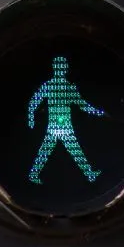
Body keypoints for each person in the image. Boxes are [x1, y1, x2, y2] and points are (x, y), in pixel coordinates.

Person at [27, 55, 103, 184]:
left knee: (64, 151)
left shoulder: (63, 86)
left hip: (60, 127)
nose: (63, 69)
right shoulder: (56, 86)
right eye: (61, 67)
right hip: (59, 127)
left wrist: (96, 111)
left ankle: (89, 174)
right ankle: (89, 174)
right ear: (58, 69)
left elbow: (82, 104)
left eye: (64, 67)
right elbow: (35, 101)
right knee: (68, 151)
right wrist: (31, 117)